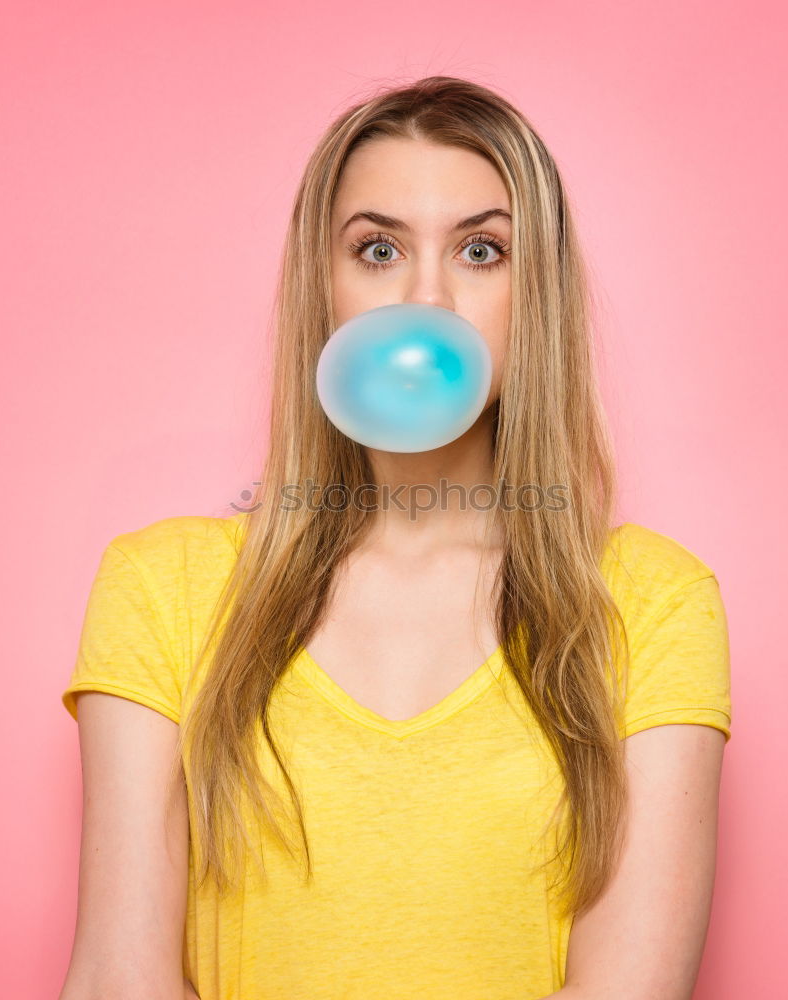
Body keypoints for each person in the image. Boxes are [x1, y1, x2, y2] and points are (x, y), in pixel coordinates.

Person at [58, 76, 732, 1000]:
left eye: (482, 250)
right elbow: (115, 981)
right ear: (325, 288)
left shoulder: (652, 602)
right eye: (378, 249)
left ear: (534, 295)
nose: (429, 300)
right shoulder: (162, 586)